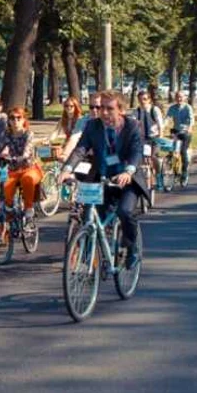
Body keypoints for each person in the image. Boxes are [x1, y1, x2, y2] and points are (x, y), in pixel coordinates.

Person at [57, 90, 149, 269]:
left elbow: (137, 151)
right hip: (102, 178)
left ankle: (131, 248)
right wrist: (67, 169)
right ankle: (91, 259)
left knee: (124, 211)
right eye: (100, 108)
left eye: (109, 109)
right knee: (91, 217)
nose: (103, 113)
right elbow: (80, 149)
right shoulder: (93, 126)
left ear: (120, 110)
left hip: (127, 180)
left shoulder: (133, 126)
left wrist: (128, 171)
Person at [0, 107, 42, 221]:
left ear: (24, 119)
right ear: (8, 120)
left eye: (19, 118)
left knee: (27, 179)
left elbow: (27, 151)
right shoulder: (7, 134)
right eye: (12, 118)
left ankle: (29, 208)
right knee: (6, 186)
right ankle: (10, 213)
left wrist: (17, 158)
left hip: (29, 168)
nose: (15, 121)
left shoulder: (28, 134)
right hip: (13, 170)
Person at [59, 94, 102, 161]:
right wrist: (65, 154)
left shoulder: (111, 122)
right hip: (87, 157)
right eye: (91, 107)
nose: (94, 110)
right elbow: (74, 138)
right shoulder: (83, 120)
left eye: (98, 107)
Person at [165, 91, 194, 185]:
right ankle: (174, 170)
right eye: (177, 97)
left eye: (181, 97)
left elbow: (191, 120)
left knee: (182, 151)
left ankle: (184, 173)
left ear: (185, 98)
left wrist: (189, 128)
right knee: (171, 150)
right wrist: (162, 126)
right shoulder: (172, 108)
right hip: (176, 131)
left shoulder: (188, 107)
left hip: (185, 132)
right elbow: (167, 118)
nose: (179, 99)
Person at [49, 96, 83, 161]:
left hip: (78, 145)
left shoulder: (80, 119)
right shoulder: (63, 120)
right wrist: (48, 140)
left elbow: (75, 136)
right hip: (67, 144)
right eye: (66, 106)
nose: (68, 108)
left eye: (71, 106)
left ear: (75, 107)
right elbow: (55, 132)